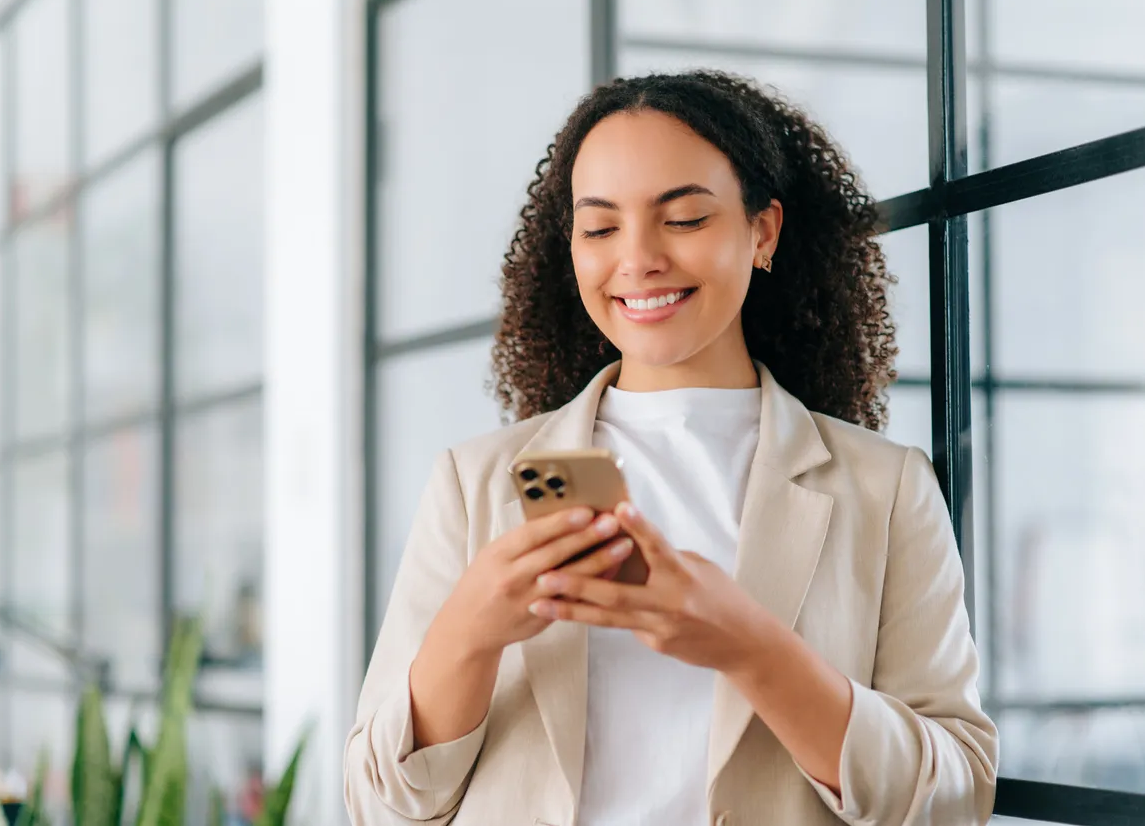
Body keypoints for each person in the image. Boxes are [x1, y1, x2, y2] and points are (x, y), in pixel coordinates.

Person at [345, 70, 998, 826]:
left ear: (762, 231)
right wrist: (468, 633)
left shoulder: (884, 489)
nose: (637, 258)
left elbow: (955, 796)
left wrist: (754, 649)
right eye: (599, 228)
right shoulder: (476, 480)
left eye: (683, 218)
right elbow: (377, 803)